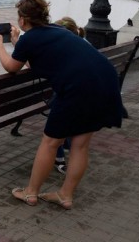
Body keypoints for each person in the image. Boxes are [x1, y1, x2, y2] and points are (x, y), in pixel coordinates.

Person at [0, 0, 123, 209]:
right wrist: (17, 42)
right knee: (80, 145)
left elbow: (11, 67)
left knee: (51, 142)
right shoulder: (58, 30)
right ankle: (65, 195)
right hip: (105, 83)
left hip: (78, 89)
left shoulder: (30, 39)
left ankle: (30, 193)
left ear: (23, 20)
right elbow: (38, 61)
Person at [51, 17, 86, 174]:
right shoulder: (84, 44)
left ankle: (59, 159)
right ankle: (66, 145)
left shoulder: (63, 49)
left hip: (71, 96)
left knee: (57, 124)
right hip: (87, 94)